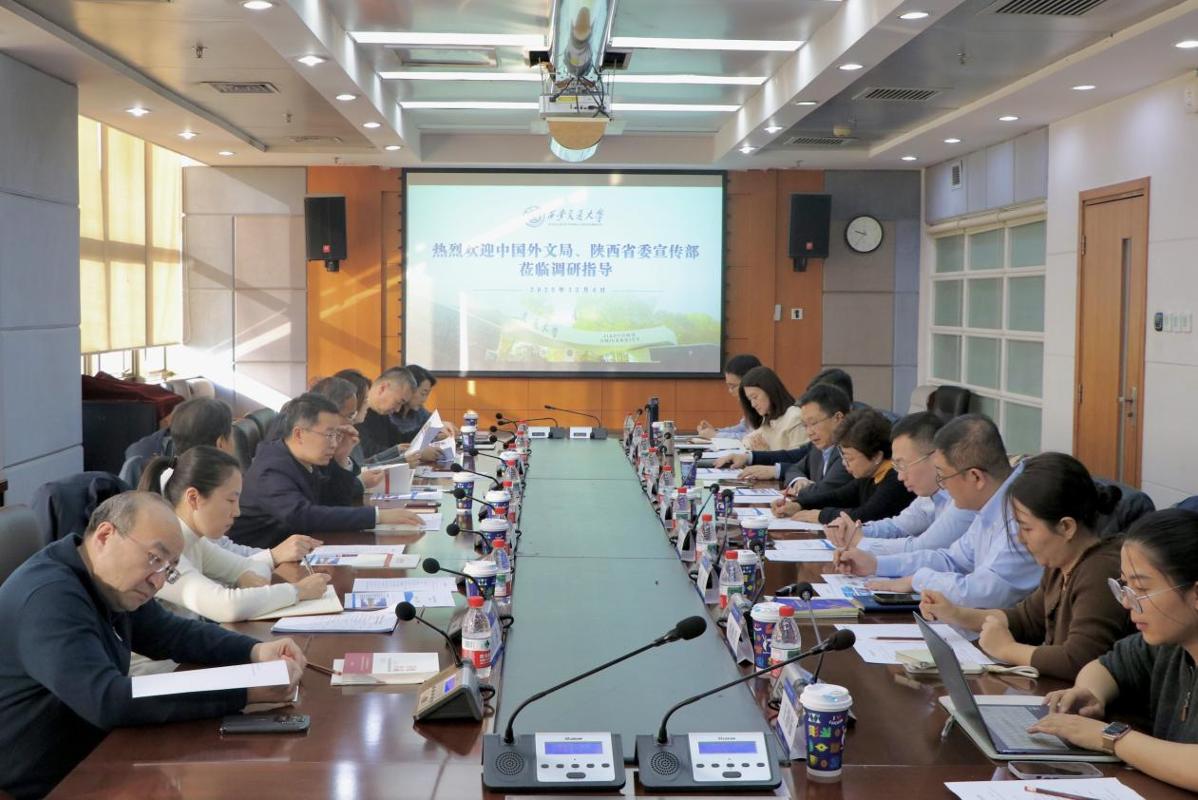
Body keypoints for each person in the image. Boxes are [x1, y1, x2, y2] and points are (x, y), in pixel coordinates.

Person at [0, 492, 305, 800]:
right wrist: (244, 692)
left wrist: (254, 651)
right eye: (154, 559)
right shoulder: (48, 599)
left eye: (168, 569)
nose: (158, 582)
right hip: (43, 784)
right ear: (105, 535)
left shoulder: (105, 581)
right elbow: (108, 700)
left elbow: (172, 633)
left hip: (97, 755)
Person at [1027, 510, 1198, 791]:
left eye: (1141, 588)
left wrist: (1110, 738)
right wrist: (1090, 692)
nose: (1127, 603)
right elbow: (1104, 667)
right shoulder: (1169, 645)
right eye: (1125, 586)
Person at [920, 452, 1130, 680]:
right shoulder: (1061, 564)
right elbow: (1026, 619)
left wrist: (1007, 650)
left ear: (1066, 527)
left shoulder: (1101, 571)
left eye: (1027, 528)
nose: (1020, 538)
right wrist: (956, 614)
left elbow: (1078, 660)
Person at [832, 414, 1042, 609]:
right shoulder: (989, 505)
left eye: (943, 476)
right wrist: (876, 564)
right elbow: (951, 559)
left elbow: (984, 592)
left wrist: (918, 580)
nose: (942, 486)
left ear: (975, 477)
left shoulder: (1021, 514)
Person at [140, 447, 331, 622]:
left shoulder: (197, 542)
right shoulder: (162, 549)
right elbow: (227, 607)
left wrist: (243, 578)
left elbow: (254, 567)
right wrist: (297, 591)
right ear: (193, 498)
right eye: (231, 500)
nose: (237, 512)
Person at [227, 393, 423, 549]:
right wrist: (378, 516)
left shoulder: (307, 456)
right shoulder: (272, 468)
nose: (334, 443)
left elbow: (338, 500)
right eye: (329, 435)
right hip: (263, 561)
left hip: (302, 547)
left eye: (337, 434)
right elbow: (303, 515)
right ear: (299, 434)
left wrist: (341, 457)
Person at [824, 412, 976, 555]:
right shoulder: (929, 495)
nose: (900, 477)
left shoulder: (962, 499)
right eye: (896, 466)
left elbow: (921, 548)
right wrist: (854, 529)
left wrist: (860, 542)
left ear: (936, 457)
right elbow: (897, 526)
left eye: (903, 465)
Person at [777, 409, 914, 524]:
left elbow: (865, 515)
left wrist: (821, 515)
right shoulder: (870, 474)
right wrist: (799, 504)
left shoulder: (896, 480)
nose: (844, 463)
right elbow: (839, 496)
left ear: (876, 456)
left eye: (849, 458)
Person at [716, 383, 852, 488]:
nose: (809, 432)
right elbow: (795, 467)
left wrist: (802, 492)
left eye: (813, 423)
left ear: (838, 418)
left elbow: (826, 491)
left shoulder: (848, 451)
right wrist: (799, 479)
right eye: (805, 425)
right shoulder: (819, 447)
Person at [735, 365, 806, 451]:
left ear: (770, 391)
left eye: (755, 397)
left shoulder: (794, 417)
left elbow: (798, 457)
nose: (753, 404)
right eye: (750, 400)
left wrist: (765, 453)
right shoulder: (768, 419)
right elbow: (748, 440)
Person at [696, 354, 762, 440]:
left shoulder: (763, 405)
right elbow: (743, 428)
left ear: (750, 382)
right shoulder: (750, 404)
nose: (730, 391)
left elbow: (753, 437)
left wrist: (716, 435)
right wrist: (715, 431)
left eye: (733, 386)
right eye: (729, 386)